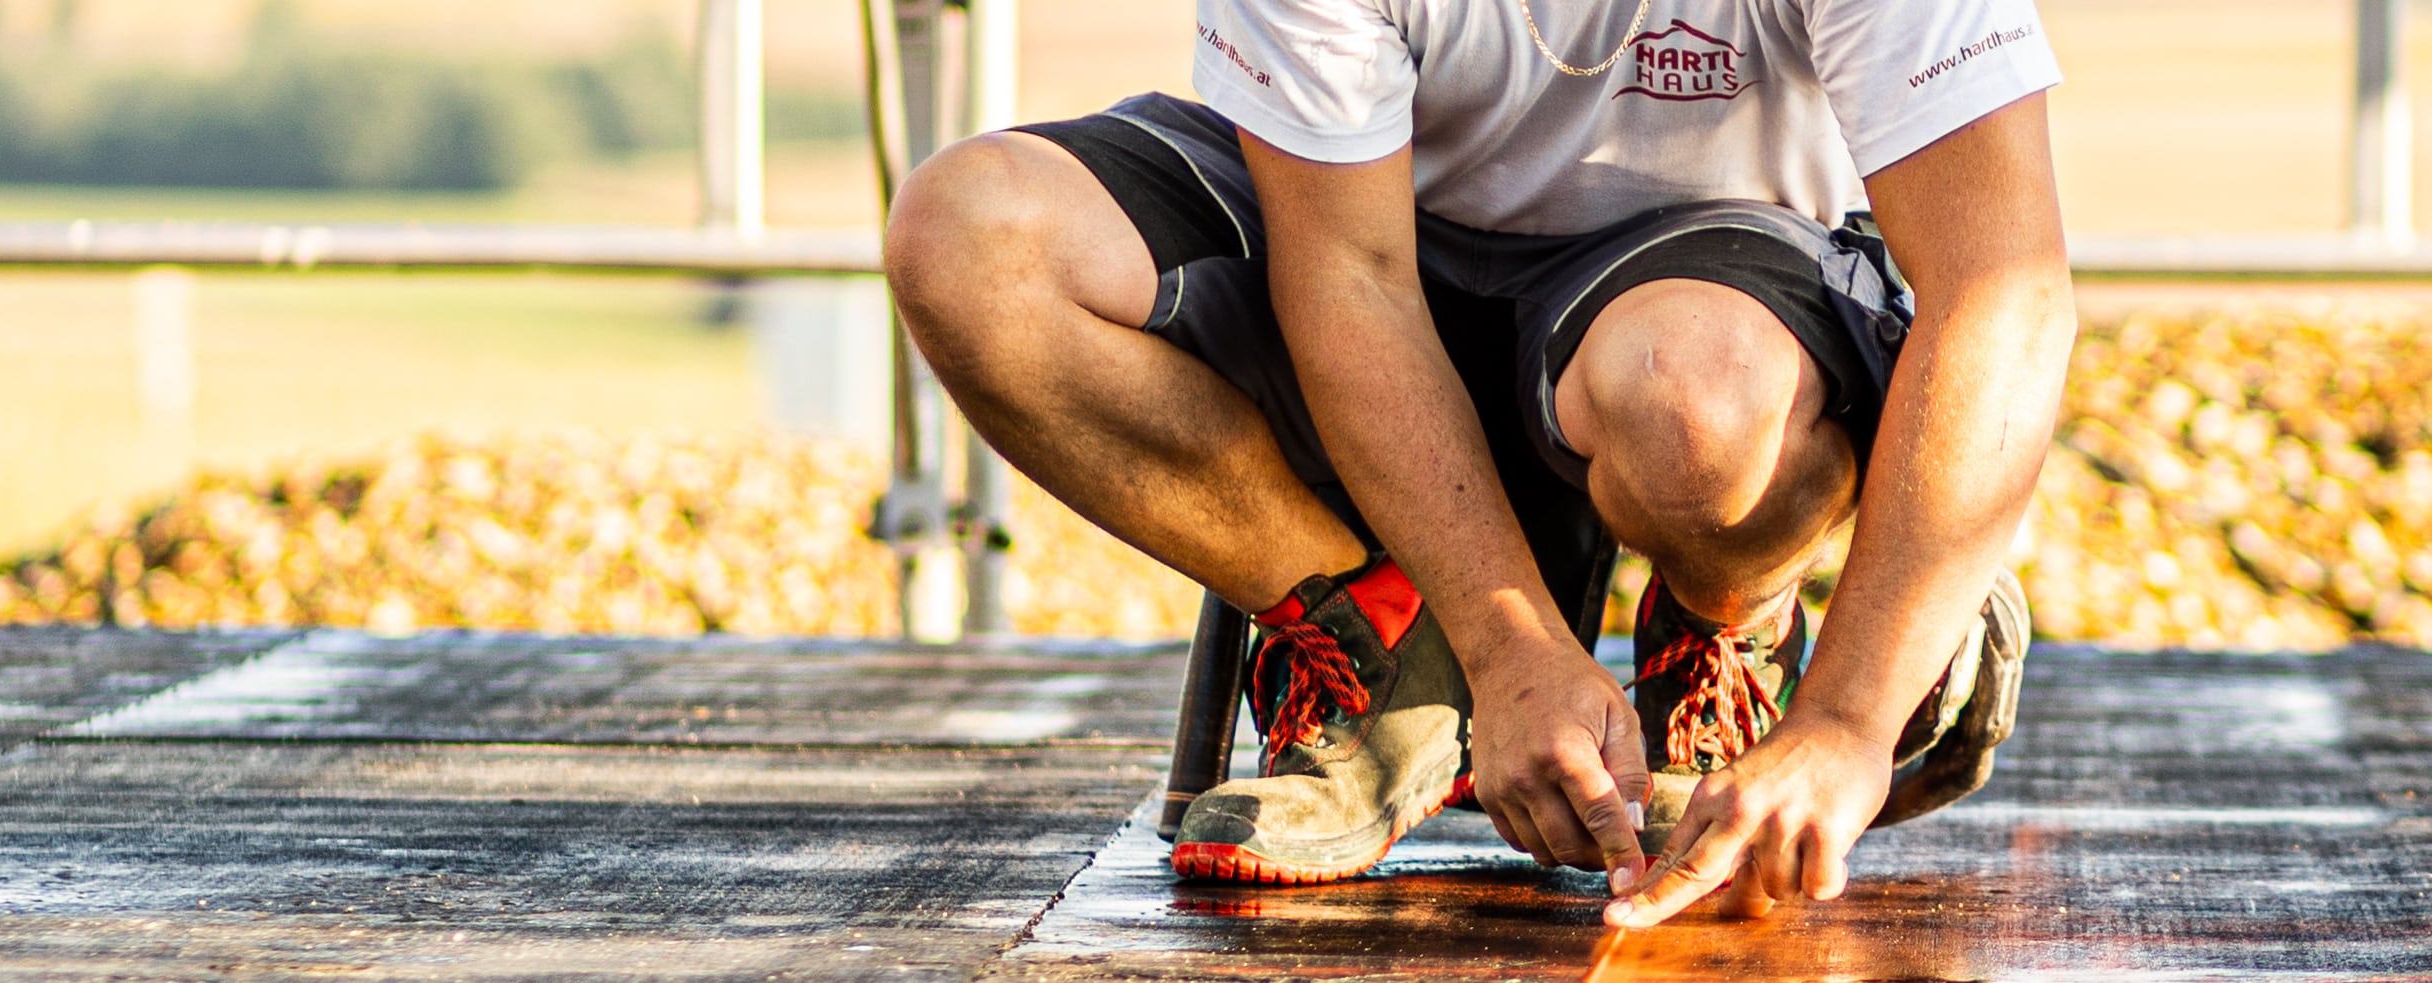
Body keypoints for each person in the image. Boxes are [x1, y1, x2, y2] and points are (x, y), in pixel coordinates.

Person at [883, 0, 2073, 928]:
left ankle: (1731, 623)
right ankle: (1389, 648)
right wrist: (1510, 645)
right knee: (971, 235)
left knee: (1700, 406)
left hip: (1706, 280)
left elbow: (2001, 291)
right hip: (1360, 233)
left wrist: (1851, 721)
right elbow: (1350, 278)